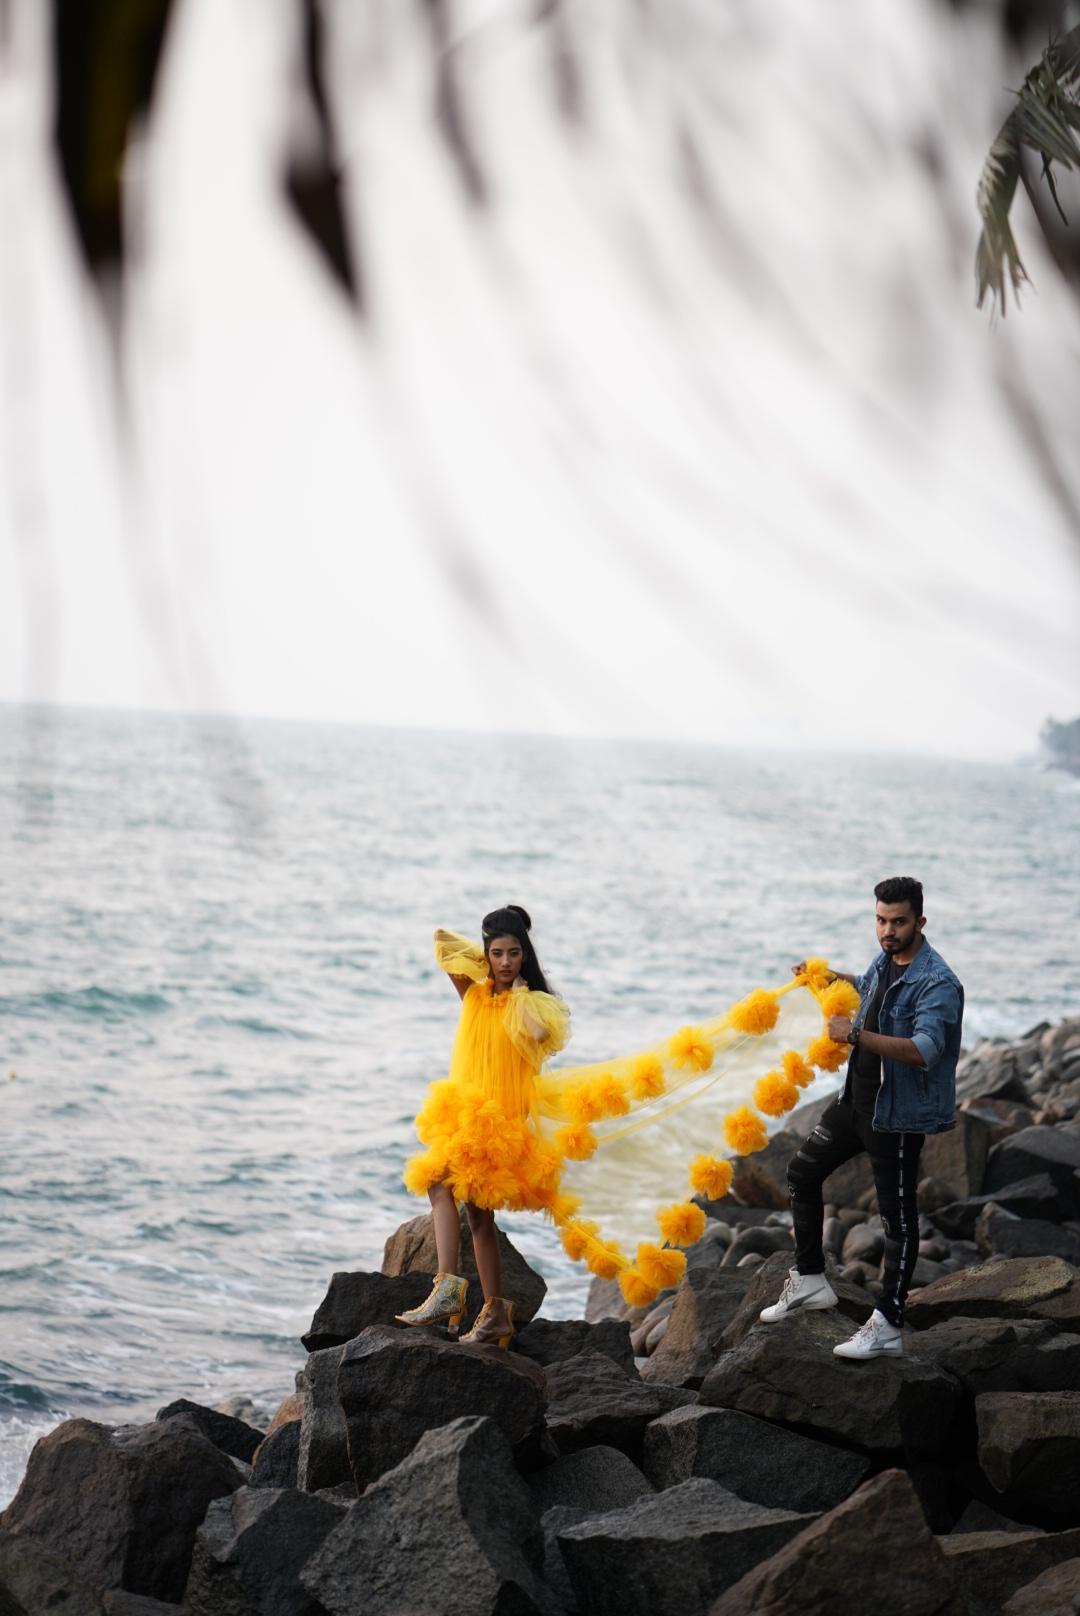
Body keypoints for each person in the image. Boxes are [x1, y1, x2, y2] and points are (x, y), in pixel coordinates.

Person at [760, 876, 964, 1359]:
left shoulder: (938, 983)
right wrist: (830, 978)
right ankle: (811, 1280)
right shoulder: (885, 959)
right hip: (855, 1102)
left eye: (898, 922)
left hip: (897, 1116)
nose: (888, 931)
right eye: (880, 920)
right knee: (801, 1172)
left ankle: (888, 1325)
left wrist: (852, 1035)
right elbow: (870, 988)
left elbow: (925, 1049)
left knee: (897, 1220)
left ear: (920, 922)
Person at [396, 905, 569, 1349]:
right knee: (477, 1216)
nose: (506, 962)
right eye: (497, 953)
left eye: (514, 953)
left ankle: (448, 1290)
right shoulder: (474, 996)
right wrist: (488, 947)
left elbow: (537, 1036)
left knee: (440, 1185)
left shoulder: (536, 1003)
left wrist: (521, 995)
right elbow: (442, 942)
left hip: (498, 1121)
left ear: (526, 955)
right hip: (466, 1114)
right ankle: (495, 1314)